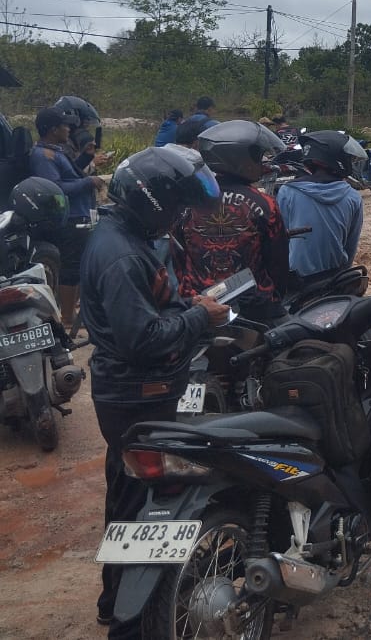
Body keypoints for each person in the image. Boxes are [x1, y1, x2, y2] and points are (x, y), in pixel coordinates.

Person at [79, 145, 229, 633]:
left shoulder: (127, 237)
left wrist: (189, 305)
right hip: (135, 393)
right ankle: (129, 618)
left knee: (127, 495)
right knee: (145, 502)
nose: (180, 217)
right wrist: (198, 317)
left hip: (133, 390)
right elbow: (141, 338)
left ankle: (114, 598)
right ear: (153, 201)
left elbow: (151, 304)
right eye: (177, 206)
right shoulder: (121, 255)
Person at [172, 120, 290, 322]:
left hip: (198, 306)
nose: (261, 163)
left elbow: (178, 258)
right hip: (256, 306)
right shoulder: (265, 204)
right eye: (257, 156)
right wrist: (273, 298)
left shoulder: (186, 202)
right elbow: (278, 262)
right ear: (240, 158)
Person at [29, 107, 100, 333]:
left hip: (78, 214)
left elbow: (69, 175)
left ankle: (72, 312)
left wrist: (87, 158)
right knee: (70, 267)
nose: (69, 129)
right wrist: (88, 182)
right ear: (53, 129)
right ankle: (67, 316)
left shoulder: (54, 152)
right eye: (65, 125)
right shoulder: (43, 156)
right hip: (69, 218)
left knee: (77, 265)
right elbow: (55, 187)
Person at [277, 130, 364, 291]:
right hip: (335, 278)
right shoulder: (353, 197)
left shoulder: (288, 192)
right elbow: (350, 246)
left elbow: (280, 239)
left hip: (296, 280)